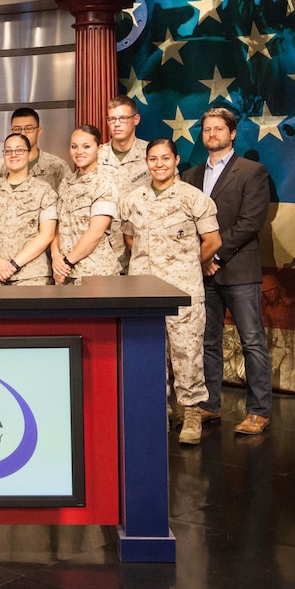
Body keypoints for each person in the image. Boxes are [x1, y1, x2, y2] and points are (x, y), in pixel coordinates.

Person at [121, 138, 221, 445]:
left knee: (187, 353)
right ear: (146, 162)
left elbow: (213, 241)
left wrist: (186, 263)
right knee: (150, 352)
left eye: (165, 158)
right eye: (153, 159)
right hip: (144, 291)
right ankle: (157, 412)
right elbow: (129, 238)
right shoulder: (133, 199)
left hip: (184, 290)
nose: (159, 164)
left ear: (176, 161)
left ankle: (190, 413)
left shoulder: (193, 198)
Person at [181, 108, 273, 435]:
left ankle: (258, 411)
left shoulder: (252, 172)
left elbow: (250, 221)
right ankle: (209, 404)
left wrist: (214, 254)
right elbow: (185, 223)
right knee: (208, 341)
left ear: (232, 133)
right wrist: (202, 258)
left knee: (252, 341)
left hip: (239, 270)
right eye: (207, 129)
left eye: (218, 129)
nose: (212, 134)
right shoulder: (190, 175)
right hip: (202, 273)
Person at [0, 133, 58, 285]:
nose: (13, 155)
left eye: (19, 150)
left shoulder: (44, 190)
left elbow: (47, 234)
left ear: (29, 154)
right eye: (8, 150)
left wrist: (13, 265)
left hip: (30, 276)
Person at [51, 125, 121, 284]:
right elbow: (57, 226)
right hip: (64, 272)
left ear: (99, 149)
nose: (79, 151)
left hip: (95, 272)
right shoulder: (66, 182)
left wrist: (67, 262)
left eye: (86, 146)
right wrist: (56, 257)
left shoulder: (104, 181)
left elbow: (96, 232)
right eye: (74, 146)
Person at [99, 95, 151, 271]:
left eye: (123, 118)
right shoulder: (97, 156)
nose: (116, 124)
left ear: (136, 119)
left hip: (143, 247)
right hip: (106, 250)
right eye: (112, 119)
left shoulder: (152, 154)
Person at [0, 107, 71, 193]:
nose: (23, 133)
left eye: (29, 128)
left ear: (39, 131)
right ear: (11, 132)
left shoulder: (58, 167)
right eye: (17, 129)